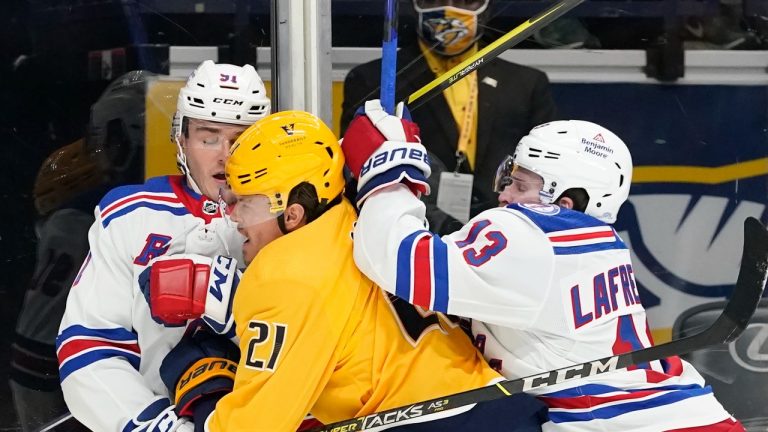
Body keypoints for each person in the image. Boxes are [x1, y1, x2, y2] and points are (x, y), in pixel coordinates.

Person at [342, 100, 745, 431]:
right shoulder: (602, 242)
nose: (504, 196)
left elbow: (397, 260)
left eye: (521, 185)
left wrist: (389, 172)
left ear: (565, 202)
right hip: (699, 418)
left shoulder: (530, 234)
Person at [146, 110, 548, 431]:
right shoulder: (362, 213)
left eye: (243, 202)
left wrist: (203, 389)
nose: (231, 215)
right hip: (504, 407)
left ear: (294, 213)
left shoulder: (282, 275)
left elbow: (254, 427)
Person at [55, 60, 271, 432]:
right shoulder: (129, 215)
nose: (225, 154)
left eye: (241, 140)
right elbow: (88, 345)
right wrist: (156, 426)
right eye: (208, 137)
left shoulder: (289, 216)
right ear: (181, 137)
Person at [341, 0, 557, 234]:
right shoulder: (373, 81)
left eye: (466, 1)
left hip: (505, 233)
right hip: (412, 232)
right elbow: (358, 172)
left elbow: (545, 174)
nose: (450, 9)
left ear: (488, 7)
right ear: (414, 5)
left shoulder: (526, 83)